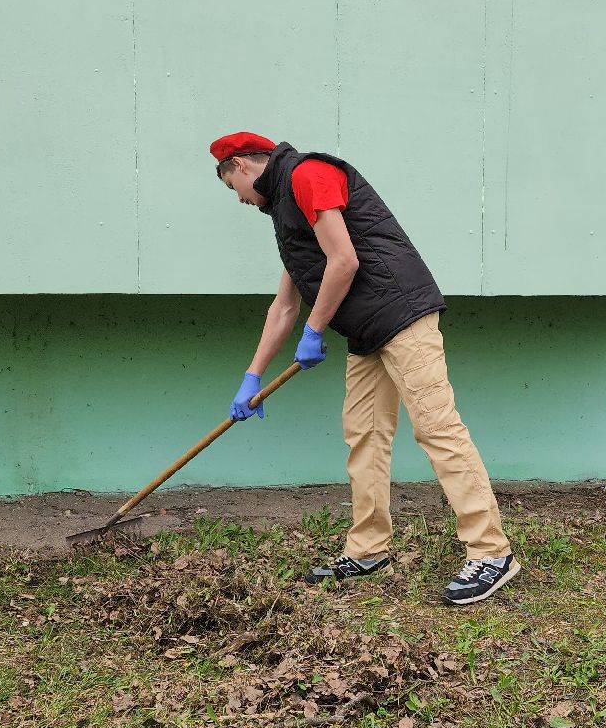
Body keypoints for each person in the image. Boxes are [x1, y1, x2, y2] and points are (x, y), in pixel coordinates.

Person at [210, 131, 519, 606]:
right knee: (364, 434)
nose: (238, 200)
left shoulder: (308, 175)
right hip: (367, 331)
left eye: (233, 188)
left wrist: (315, 331)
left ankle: (492, 552)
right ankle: (369, 548)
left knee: (438, 429)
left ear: (244, 166)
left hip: (402, 315)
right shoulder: (285, 210)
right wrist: (252, 377)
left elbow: (344, 260)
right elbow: (283, 308)